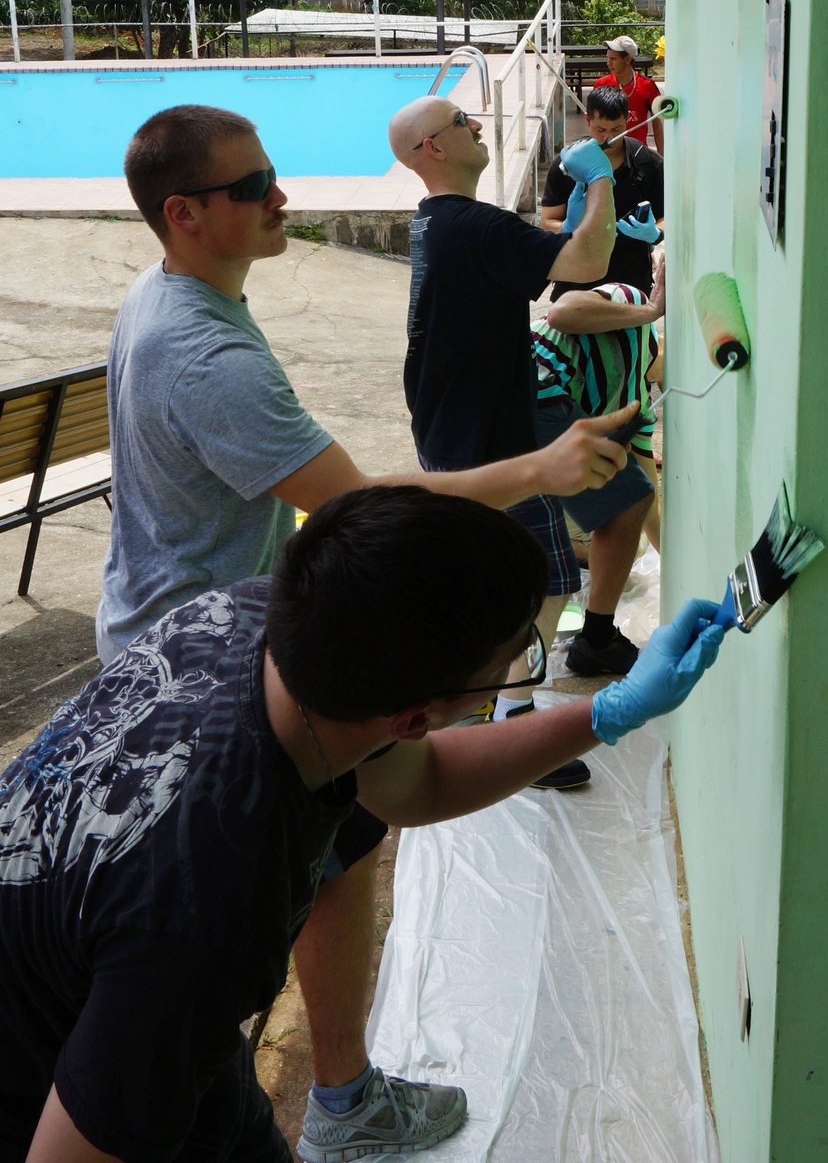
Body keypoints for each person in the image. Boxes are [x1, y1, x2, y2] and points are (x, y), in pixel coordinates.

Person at [96, 104, 630, 1163]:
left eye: (273, 173)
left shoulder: (176, 297)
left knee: (341, 842)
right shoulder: (206, 354)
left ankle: (333, 1094)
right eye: (253, 187)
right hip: (210, 659)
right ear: (185, 212)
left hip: (190, 622)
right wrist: (537, 470)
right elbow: (352, 506)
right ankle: (333, 1102)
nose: (279, 196)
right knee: (310, 863)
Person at [0, 485, 725, 1163]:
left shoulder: (259, 619)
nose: (522, 666)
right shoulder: (211, 907)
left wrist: (611, 712)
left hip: (89, 975)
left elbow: (419, 780)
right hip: (46, 1074)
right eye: (518, 659)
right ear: (414, 715)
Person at [387, 96, 651, 751]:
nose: (478, 125)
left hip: (486, 417)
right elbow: (586, 264)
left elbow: (574, 251)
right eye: (461, 121)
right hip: (482, 434)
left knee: (617, 507)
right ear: (434, 149)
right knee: (543, 581)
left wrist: (608, 211)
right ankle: (514, 716)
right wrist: (600, 180)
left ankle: (580, 647)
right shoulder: (469, 224)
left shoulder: (441, 222)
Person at [533, 266, 666, 672]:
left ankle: (584, 642)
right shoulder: (632, 306)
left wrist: (682, 569)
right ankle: (596, 639)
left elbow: (646, 501)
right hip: (531, 388)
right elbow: (561, 312)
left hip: (514, 409)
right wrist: (651, 312)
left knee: (629, 505)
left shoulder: (636, 404)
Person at [540, 85, 664, 298]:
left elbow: (665, 217)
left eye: (617, 129)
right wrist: (569, 227)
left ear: (627, 120)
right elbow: (548, 222)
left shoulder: (648, 162)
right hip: (577, 280)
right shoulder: (566, 165)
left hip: (631, 282)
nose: (609, 138)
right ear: (587, 120)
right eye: (601, 130)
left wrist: (654, 233)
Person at [593, 35, 664, 154]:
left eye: (613, 59)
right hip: (608, 153)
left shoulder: (647, 85)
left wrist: (661, 154)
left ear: (627, 59)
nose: (608, 63)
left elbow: (656, 121)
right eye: (608, 58)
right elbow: (593, 121)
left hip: (637, 152)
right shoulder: (601, 84)